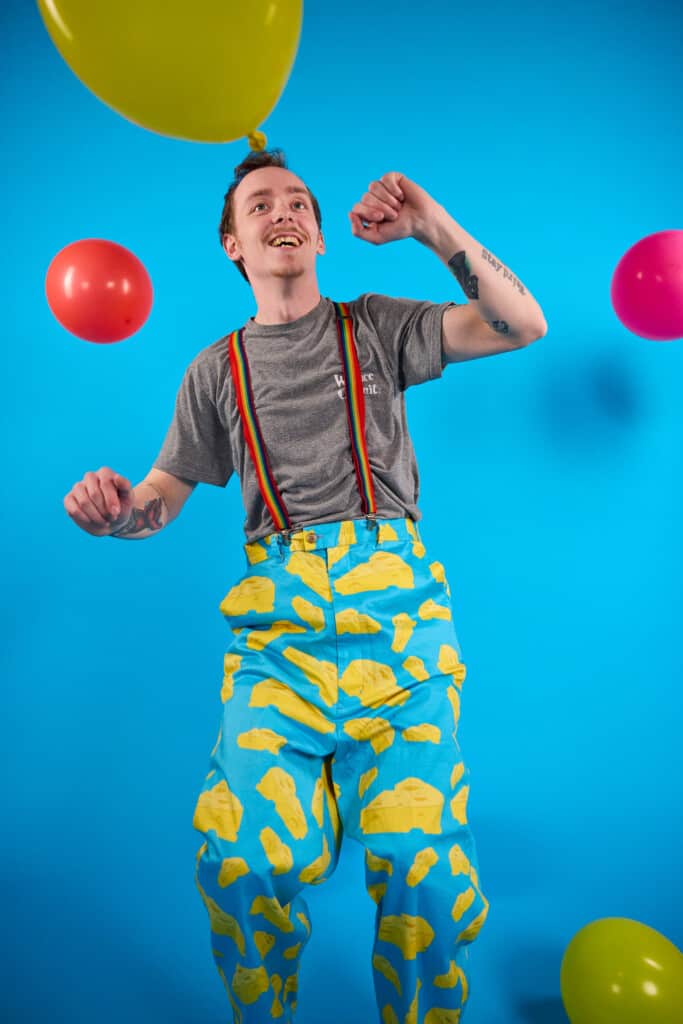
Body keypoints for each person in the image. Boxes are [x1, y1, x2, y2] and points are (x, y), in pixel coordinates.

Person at [63, 148, 547, 1023]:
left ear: (318, 235)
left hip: (397, 632)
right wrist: (114, 513)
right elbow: (157, 502)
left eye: (296, 203)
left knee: (420, 866)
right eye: (259, 206)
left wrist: (431, 227)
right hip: (277, 644)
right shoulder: (213, 373)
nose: (281, 211)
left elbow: (520, 324)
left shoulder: (376, 327)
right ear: (233, 245)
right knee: (240, 859)